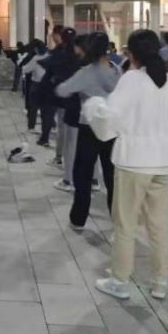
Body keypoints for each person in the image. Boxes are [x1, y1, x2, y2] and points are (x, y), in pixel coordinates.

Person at [88, 29, 168, 300]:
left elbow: (112, 115)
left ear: (131, 54)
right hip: (162, 161)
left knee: (125, 224)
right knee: (158, 225)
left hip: (134, 160)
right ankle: (160, 281)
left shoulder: (132, 79)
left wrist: (95, 108)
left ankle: (119, 280)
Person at [56, 32, 120, 228]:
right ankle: (117, 218)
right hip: (113, 127)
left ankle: (79, 218)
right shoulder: (117, 69)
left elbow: (63, 90)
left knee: (83, 174)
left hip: (89, 126)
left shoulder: (86, 72)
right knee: (112, 175)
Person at [44, 28, 80, 189]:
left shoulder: (61, 54)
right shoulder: (86, 60)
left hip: (69, 103)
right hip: (87, 109)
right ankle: (93, 180)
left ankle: (67, 176)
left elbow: (61, 84)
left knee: (68, 137)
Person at [22, 40, 49, 137]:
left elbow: (26, 69)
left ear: (36, 49)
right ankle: (47, 129)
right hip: (48, 85)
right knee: (46, 108)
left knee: (33, 107)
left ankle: (31, 127)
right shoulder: (49, 56)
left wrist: (24, 67)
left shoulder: (36, 58)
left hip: (36, 84)